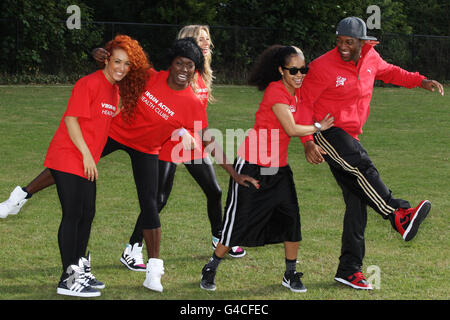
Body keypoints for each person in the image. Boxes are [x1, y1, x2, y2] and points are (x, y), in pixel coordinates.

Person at [297, 17, 444, 290]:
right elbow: (303, 103)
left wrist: (420, 81)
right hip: (325, 131)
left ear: (362, 43)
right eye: (339, 41)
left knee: (357, 201)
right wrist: (307, 140)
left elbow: (391, 72)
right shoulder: (322, 66)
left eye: (349, 42)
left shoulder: (370, 57)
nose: (342, 46)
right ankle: (398, 215)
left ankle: (348, 270)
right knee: (363, 166)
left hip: (349, 135)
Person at [199, 45, 334, 292]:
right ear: (281, 70)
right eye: (293, 70)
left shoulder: (297, 93)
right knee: (238, 221)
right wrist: (318, 127)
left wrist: (310, 142)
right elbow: (292, 128)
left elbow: (300, 120)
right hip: (252, 167)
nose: (299, 74)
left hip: (279, 169)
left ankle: (290, 273)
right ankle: (212, 266)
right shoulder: (276, 92)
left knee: (291, 218)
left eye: (303, 69)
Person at [120, 25, 246, 272]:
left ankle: (218, 237)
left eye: (208, 39)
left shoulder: (199, 75)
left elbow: (198, 121)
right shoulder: (177, 72)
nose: (207, 42)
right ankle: (132, 247)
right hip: (168, 141)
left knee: (214, 191)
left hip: (192, 142)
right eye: (202, 39)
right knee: (159, 199)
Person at [44, 35, 135, 297]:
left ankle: (79, 267)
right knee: (73, 214)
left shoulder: (115, 89)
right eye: (117, 61)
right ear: (107, 59)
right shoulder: (89, 83)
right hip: (68, 156)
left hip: (86, 161)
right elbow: (72, 120)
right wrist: (86, 154)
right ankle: (68, 278)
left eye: (126, 64)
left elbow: (104, 117)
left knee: (88, 213)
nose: (121, 68)